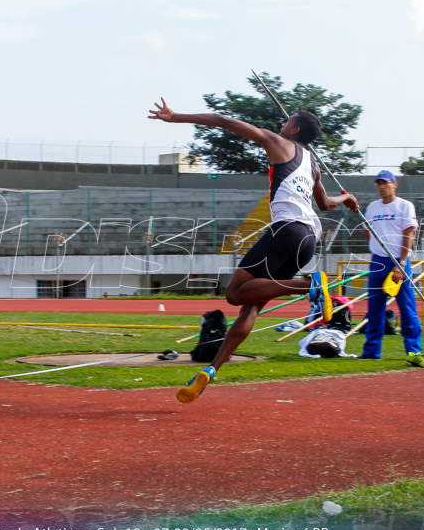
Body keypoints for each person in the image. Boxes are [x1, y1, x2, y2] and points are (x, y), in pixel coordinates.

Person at [148, 98, 359, 403]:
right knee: (252, 305)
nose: (281, 125)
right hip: (309, 238)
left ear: (295, 128)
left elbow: (224, 120)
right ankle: (209, 371)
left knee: (234, 293)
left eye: (287, 122)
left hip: (287, 230)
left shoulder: (278, 142)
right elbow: (325, 204)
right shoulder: (312, 163)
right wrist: (348, 197)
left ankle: (309, 284)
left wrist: (176, 116)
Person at [359, 170, 424, 367]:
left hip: (399, 263)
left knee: (407, 308)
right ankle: (371, 352)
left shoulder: (404, 206)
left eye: (385, 183)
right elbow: (368, 231)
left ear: (395, 184)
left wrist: (401, 263)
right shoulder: (372, 208)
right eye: (378, 183)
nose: (381, 187)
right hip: (378, 262)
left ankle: (414, 352)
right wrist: (373, 250)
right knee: (374, 309)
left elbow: (408, 234)